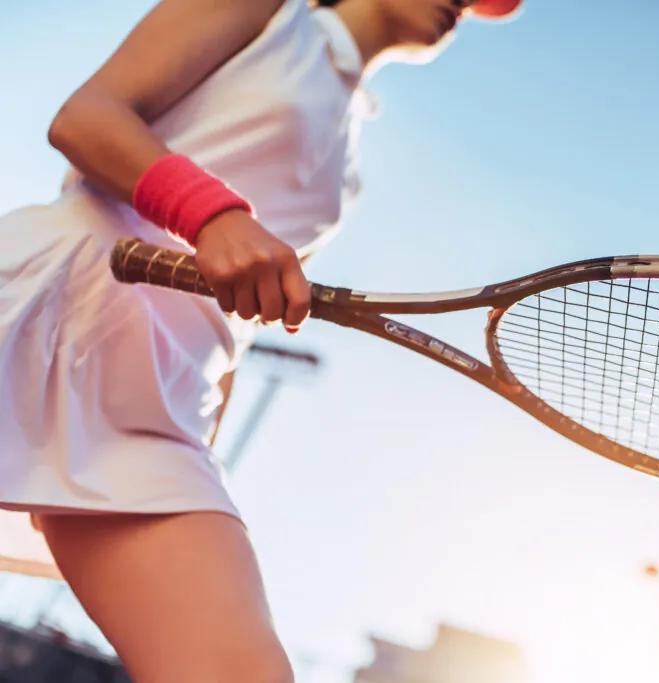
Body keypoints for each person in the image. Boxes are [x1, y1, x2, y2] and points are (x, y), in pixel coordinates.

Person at [0, 0, 521, 681]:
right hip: (50, 303)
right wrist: (213, 215)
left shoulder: (349, 147)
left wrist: (213, 410)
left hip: (159, 408)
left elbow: (237, 308)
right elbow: (87, 117)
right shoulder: (274, 14)